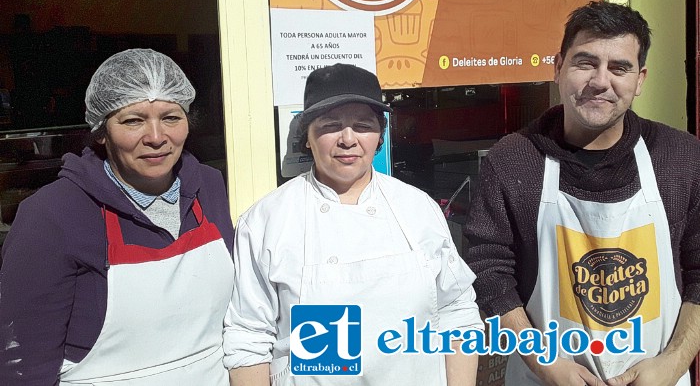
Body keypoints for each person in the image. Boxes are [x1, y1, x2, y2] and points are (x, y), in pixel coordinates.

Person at [464, 0, 700, 386]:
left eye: (619, 68)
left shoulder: (681, 157)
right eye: (585, 62)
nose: (600, 81)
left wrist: (672, 365)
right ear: (559, 67)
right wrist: (545, 362)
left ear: (640, 80)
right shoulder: (513, 159)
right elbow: (488, 272)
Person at [225, 63, 484, 386]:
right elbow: (249, 338)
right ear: (306, 136)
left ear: (380, 136)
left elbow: (457, 312)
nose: (348, 140)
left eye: (363, 126)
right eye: (330, 126)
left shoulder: (417, 209)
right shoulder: (267, 220)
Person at [0, 49, 234, 385]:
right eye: (133, 120)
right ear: (100, 132)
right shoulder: (53, 214)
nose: (156, 137)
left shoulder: (209, 188)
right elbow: (23, 362)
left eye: (171, 117)